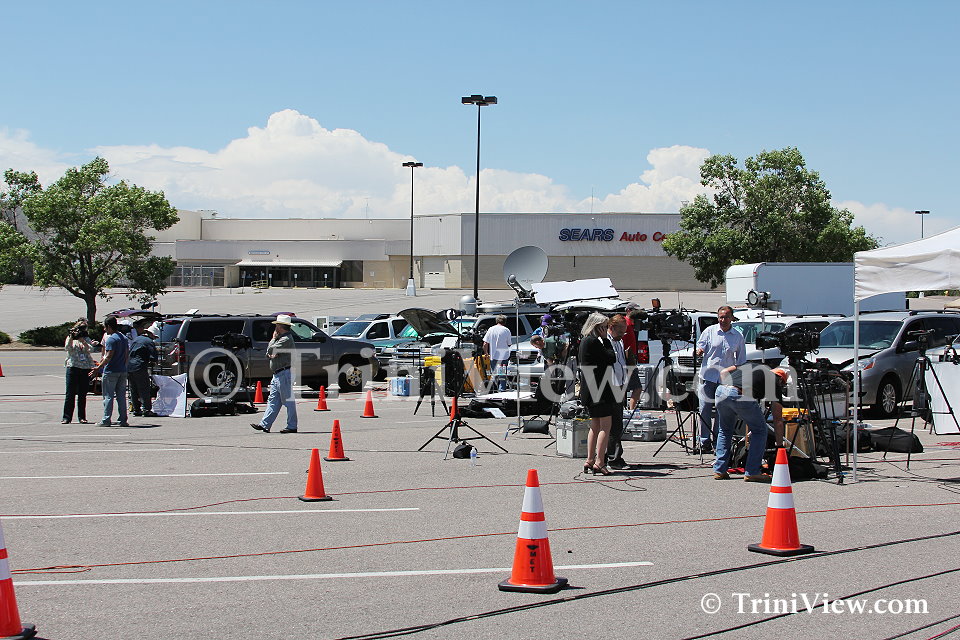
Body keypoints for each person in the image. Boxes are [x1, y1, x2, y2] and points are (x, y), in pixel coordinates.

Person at [713, 364, 787, 482]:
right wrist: (779, 446)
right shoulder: (775, 382)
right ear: (781, 380)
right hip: (739, 393)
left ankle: (719, 470)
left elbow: (724, 372)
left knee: (725, 430)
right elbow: (778, 419)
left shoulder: (754, 364)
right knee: (760, 431)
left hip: (721, 390)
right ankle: (752, 472)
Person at [695, 305, 745, 453]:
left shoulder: (737, 336)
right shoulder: (709, 331)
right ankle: (704, 441)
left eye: (726, 317)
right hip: (708, 377)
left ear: (732, 318)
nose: (723, 320)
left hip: (725, 380)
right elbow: (700, 346)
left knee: (722, 411)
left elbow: (741, 361)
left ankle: (718, 441)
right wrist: (699, 351)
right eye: (721, 317)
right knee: (704, 409)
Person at [577, 312, 617, 475]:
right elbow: (611, 357)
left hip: (589, 388)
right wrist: (606, 340)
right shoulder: (594, 342)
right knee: (605, 426)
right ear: (597, 327)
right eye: (604, 327)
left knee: (595, 425)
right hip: (600, 388)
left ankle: (590, 459)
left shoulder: (584, 341)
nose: (605, 330)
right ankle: (600, 461)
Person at [251, 314, 298, 433]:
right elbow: (269, 353)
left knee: (288, 401)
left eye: (277, 325)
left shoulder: (285, 339)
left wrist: (272, 339)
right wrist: (271, 352)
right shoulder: (281, 339)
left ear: (280, 326)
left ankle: (292, 426)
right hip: (278, 373)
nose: (275, 327)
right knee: (273, 401)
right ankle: (265, 424)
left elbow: (270, 350)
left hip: (284, 373)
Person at [90, 315, 130, 427]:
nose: (104, 329)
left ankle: (106, 419)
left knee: (108, 396)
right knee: (121, 396)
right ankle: (123, 420)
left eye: (105, 327)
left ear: (109, 326)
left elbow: (108, 356)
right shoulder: (123, 338)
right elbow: (126, 355)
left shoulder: (111, 339)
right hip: (122, 370)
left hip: (111, 371)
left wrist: (98, 368)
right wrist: (124, 367)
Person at [605, 314, 630, 470]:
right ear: (611, 327)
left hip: (620, 385)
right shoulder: (605, 342)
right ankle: (613, 458)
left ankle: (613, 456)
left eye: (624, 331)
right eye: (620, 331)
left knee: (617, 423)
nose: (622, 335)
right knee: (612, 424)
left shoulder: (619, 341)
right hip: (610, 386)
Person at [62, 319, 96, 424]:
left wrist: (83, 341)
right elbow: (67, 348)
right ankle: (67, 417)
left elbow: (91, 349)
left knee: (82, 394)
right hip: (73, 367)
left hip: (85, 368)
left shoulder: (86, 338)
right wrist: (72, 337)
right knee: (70, 393)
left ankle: (82, 417)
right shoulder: (71, 337)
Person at [128, 328, 158, 417]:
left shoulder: (136, 339)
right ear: (151, 334)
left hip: (129, 366)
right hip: (139, 366)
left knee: (133, 389)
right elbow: (153, 357)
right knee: (144, 388)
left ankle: (136, 409)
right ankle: (146, 410)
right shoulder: (149, 341)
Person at [482, 315, 512, 393]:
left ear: (496, 321)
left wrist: (486, 353)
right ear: (504, 322)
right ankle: (502, 389)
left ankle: (495, 388)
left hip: (493, 355)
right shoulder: (506, 330)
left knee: (494, 373)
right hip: (503, 356)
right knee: (502, 373)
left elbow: (485, 343)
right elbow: (509, 344)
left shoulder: (491, 329)